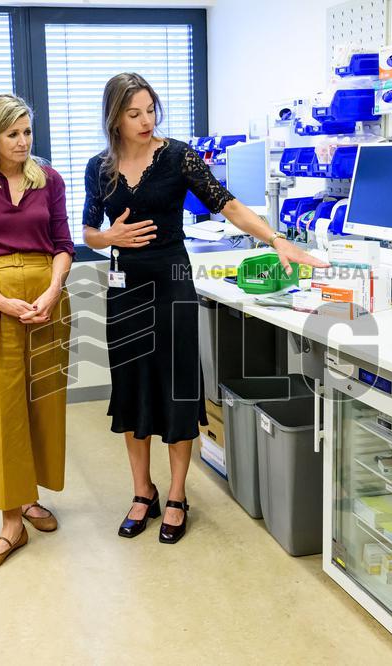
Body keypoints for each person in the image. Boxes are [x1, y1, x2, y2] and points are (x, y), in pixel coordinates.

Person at [82, 73, 326, 544]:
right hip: (125, 290)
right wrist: (106, 238)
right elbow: (88, 229)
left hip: (172, 281)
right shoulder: (100, 167)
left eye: (151, 109)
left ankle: (176, 494)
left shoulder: (177, 155)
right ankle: (141, 491)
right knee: (133, 393)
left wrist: (277, 239)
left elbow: (227, 205)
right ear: (114, 117)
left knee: (176, 392)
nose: (146, 120)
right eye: (135, 114)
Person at [0, 94, 74, 572]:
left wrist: (51, 290)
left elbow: (64, 244)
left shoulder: (51, 180)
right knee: (2, 407)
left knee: (42, 402)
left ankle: (29, 496)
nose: (23, 142)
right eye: (13, 134)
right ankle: (10, 523)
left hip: (47, 300)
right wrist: (0, 299)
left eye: (27, 132)